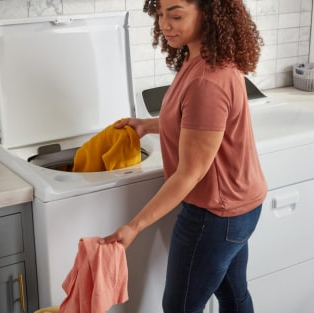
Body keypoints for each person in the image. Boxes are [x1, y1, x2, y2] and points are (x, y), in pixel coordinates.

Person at [100, 0, 267, 312]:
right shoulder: (200, 59)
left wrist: (134, 226)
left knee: (180, 307)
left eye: (175, 15)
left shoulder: (208, 80)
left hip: (215, 215)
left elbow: (190, 172)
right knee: (234, 296)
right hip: (238, 206)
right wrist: (148, 125)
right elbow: (193, 124)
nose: (165, 24)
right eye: (161, 14)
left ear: (209, 13)